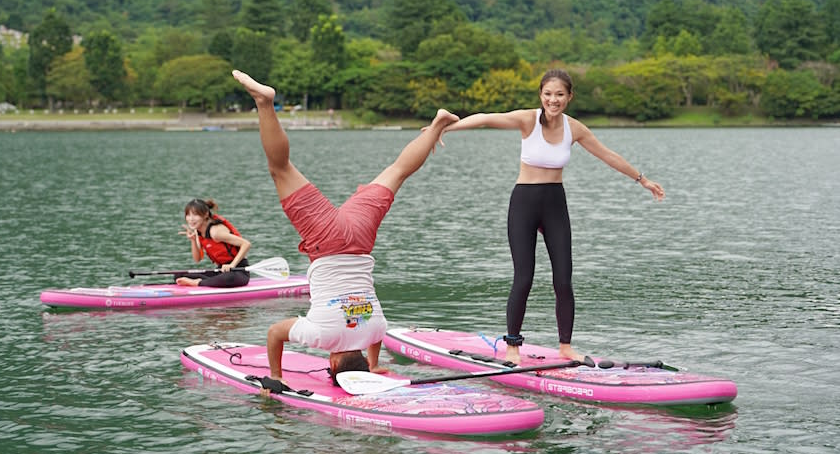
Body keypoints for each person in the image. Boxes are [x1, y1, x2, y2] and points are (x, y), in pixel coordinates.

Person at [232, 69, 459, 385]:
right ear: (333, 362)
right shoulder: (322, 338)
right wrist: (274, 377)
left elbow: (374, 338)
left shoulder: (377, 328)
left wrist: (376, 365)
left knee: (396, 172)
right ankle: (265, 102)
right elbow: (274, 334)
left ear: (364, 358)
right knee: (280, 169)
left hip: (361, 237)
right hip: (328, 240)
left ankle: (436, 125)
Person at [440, 68, 665, 365]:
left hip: (555, 204)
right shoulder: (527, 120)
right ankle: (512, 346)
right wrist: (442, 129)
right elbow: (485, 118)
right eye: (548, 94)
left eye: (559, 94)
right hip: (524, 203)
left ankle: (566, 346)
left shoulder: (575, 129)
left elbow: (608, 155)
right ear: (541, 95)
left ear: (569, 97)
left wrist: (642, 179)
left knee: (563, 278)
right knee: (524, 276)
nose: (553, 100)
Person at [175, 198, 252, 287]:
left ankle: (198, 283)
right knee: (178, 275)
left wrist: (232, 265)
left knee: (227, 278)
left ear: (205, 215)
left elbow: (246, 244)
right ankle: (207, 282)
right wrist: (193, 240)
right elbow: (197, 259)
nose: (191, 219)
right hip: (220, 271)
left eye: (195, 215)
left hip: (238, 271)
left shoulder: (215, 233)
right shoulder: (198, 231)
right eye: (188, 215)